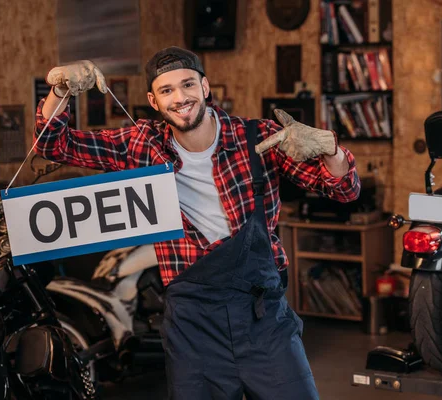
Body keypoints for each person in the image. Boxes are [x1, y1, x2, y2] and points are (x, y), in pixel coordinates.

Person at [35, 47, 361, 400]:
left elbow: (343, 190)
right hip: (193, 326)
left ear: (205, 87)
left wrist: (331, 150)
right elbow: (53, 144)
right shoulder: (140, 145)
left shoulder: (259, 138)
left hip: (263, 317)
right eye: (167, 91)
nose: (180, 98)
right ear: (153, 101)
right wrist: (60, 90)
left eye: (187, 85)